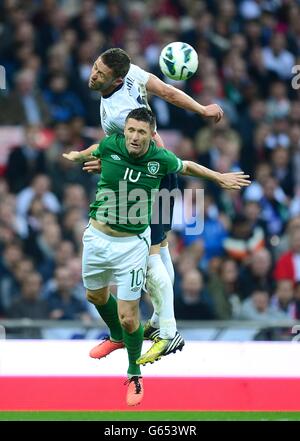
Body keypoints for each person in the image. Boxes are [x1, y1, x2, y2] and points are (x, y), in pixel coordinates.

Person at [63, 107, 250, 406]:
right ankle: (117, 338)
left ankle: (135, 372)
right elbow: (97, 148)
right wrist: (79, 155)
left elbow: (187, 166)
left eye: (142, 132)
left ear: (153, 135)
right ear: (124, 131)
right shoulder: (112, 144)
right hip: (97, 238)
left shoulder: (160, 160)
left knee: (129, 316)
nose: (135, 137)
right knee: (95, 297)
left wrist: (219, 178)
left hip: (131, 246)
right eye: (131, 131)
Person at [81, 47, 224, 364]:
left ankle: (168, 334)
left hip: (149, 179)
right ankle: (160, 323)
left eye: (100, 73)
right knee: (160, 248)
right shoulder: (131, 73)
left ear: (116, 78)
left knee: (147, 255)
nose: (93, 74)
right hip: (159, 174)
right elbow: (168, 92)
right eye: (94, 67)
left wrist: (105, 159)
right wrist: (202, 109)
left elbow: (132, 150)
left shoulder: (120, 113)